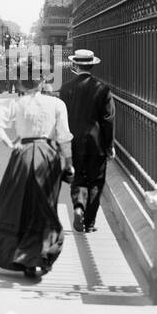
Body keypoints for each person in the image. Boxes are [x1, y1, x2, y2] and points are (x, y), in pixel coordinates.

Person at [0, 76, 74, 280]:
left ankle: (24, 256)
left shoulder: (15, 103)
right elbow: (64, 136)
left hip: (23, 154)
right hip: (47, 155)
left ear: (21, 84)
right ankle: (42, 253)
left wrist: (10, 144)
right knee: (45, 206)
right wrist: (68, 163)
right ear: (41, 83)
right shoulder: (57, 104)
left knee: (21, 204)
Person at [57, 47, 116, 233]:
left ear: (75, 65)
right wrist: (109, 145)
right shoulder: (103, 89)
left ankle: (78, 207)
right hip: (96, 142)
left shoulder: (66, 89)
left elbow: (62, 118)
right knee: (96, 181)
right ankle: (89, 222)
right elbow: (108, 120)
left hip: (74, 141)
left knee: (78, 178)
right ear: (92, 66)